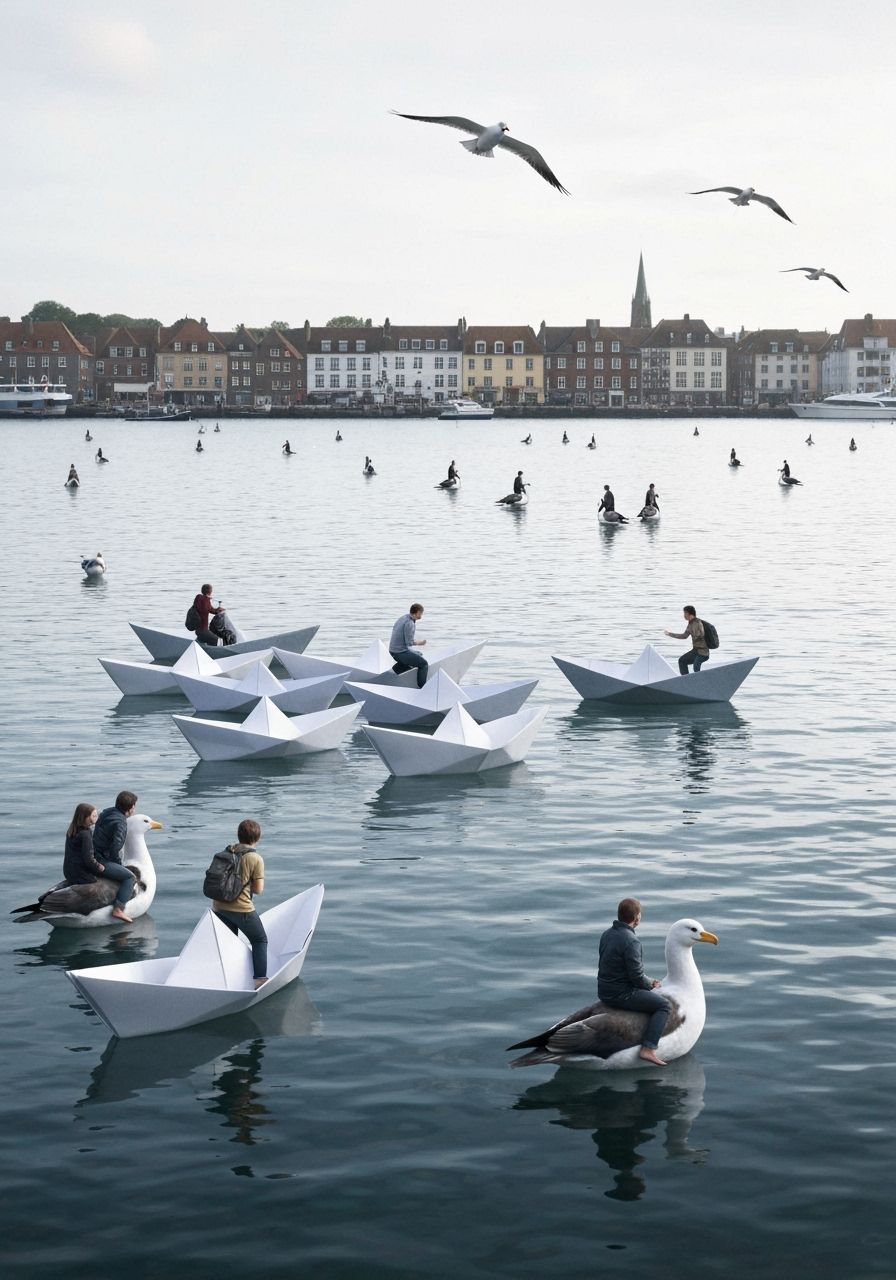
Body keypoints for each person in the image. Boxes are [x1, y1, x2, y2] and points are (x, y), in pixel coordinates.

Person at [598, 897, 671, 1067]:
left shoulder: (607, 934)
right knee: (664, 1006)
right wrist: (651, 984)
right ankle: (648, 1048)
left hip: (604, 991)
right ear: (637, 918)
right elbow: (637, 977)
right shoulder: (631, 941)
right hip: (621, 994)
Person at [211, 819, 268, 990]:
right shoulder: (255, 858)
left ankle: (228, 977)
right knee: (259, 940)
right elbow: (258, 890)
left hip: (218, 907)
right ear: (258, 838)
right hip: (242, 909)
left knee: (230, 943)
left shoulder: (226, 852)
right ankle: (260, 980)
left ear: (238, 835)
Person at [91, 791, 139, 922]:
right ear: (131, 808)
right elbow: (115, 849)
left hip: (92, 855)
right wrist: (119, 866)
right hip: (101, 861)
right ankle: (118, 909)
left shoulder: (106, 813)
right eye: (134, 806)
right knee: (130, 877)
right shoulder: (121, 823)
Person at [389, 602, 428, 688]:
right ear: (417, 612)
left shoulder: (403, 617)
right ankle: (422, 687)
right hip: (400, 652)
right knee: (424, 664)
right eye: (421, 613)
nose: (421, 615)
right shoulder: (410, 623)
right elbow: (409, 643)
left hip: (392, 650)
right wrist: (421, 643)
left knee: (419, 654)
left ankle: (397, 669)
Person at [664, 605, 710, 675]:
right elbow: (684, 636)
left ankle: (699, 680)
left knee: (696, 666)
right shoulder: (690, 623)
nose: (684, 615)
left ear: (690, 614)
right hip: (696, 651)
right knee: (682, 661)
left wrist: (697, 634)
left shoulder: (697, 623)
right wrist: (670, 634)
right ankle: (686, 679)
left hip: (703, 652)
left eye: (685, 613)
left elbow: (701, 634)